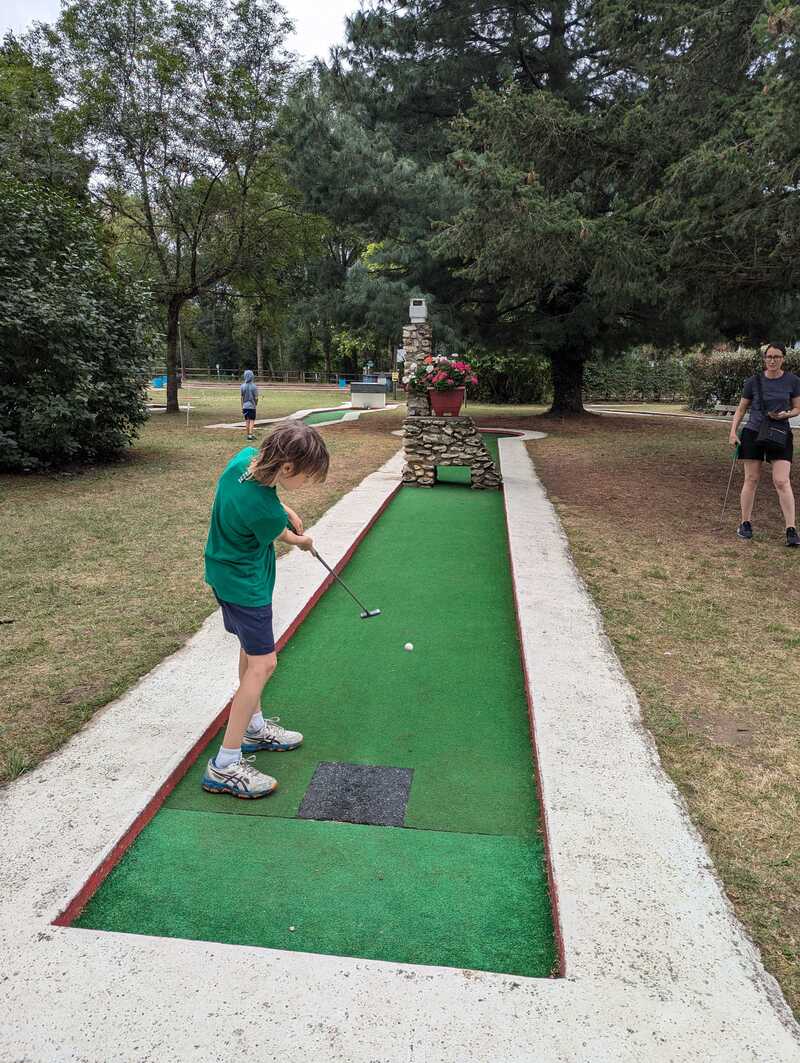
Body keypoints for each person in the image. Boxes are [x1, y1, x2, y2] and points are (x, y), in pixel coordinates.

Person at [202, 421, 330, 797]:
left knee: (249, 650)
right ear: (287, 468)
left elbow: (267, 500)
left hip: (225, 572)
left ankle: (254, 727)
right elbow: (282, 533)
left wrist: (284, 506)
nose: (305, 485)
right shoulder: (263, 510)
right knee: (264, 663)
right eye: (305, 477)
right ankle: (224, 765)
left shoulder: (245, 459)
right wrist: (302, 540)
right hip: (245, 585)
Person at [728, 343, 800, 547]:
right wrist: (733, 431)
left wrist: (786, 414)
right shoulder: (753, 382)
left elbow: (797, 408)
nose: (772, 360)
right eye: (769, 356)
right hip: (753, 432)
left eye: (776, 357)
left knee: (781, 481)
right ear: (764, 358)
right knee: (751, 479)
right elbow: (741, 409)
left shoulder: (793, 381)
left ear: (783, 358)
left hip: (780, 432)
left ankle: (791, 529)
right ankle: (745, 523)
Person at [240, 368, 259, 440]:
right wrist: (255, 404)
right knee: (252, 421)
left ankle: (248, 434)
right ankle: (250, 435)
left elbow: (241, 398)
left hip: (245, 406)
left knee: (247, 421)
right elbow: (256, 398)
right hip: (252, 406)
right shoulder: (254, 386)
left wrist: (242, 406)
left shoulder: (242, 386)